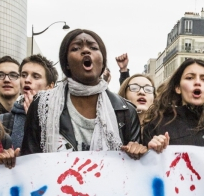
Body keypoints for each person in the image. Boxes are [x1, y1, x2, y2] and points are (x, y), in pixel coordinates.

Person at [21, 29, 145, 158]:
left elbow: (133, 171)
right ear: (66, 63)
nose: (86, 50)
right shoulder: (42, 106)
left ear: (102, 61)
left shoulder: (126, 112)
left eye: (93, 47)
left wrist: (137, 152)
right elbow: (30, 162)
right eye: (75, 48)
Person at [0, 54, 58, 150]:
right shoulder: (1, 122)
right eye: (24, 75)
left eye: (36, 76)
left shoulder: (60, 120)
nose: (27, 80)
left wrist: (36, 118)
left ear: (50, 87)